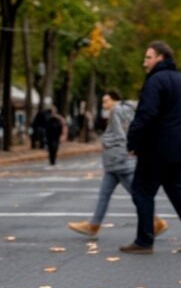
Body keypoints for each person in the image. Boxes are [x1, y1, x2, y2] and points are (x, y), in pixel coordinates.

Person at [120, 41, 181, 254]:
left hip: (157, 149)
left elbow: (146, 114)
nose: (144, 62)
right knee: (176, 190)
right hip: (179, 149)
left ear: (160, 58)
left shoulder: (155, 81)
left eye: (148, 57)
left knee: (142, 191)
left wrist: (133, 141)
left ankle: (144, 241)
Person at [67, 91, 167, 238]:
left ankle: (156, 221)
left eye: (106, 101)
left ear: (114, 100)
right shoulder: (127, 110)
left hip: (118, 161)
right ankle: (93, 225)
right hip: (116, 162)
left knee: (137, 194)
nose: (104, 105)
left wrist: (120, 153)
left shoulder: (116, 111)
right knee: (106, 194)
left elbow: (121, 135)